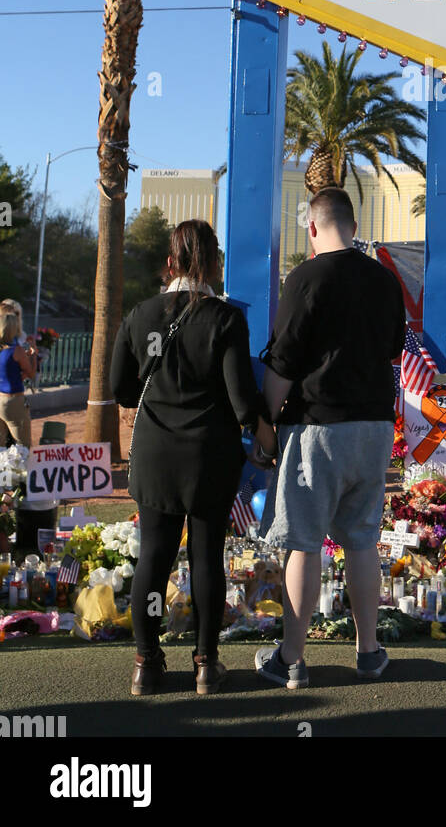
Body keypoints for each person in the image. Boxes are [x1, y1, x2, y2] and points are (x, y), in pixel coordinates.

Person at [112, 219, 274, 697]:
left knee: (153, 560)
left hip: (157, 453)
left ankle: (147, 662)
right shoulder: (225, 319)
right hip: (209, 455)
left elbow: (121, 390)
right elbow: (243, 401)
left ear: (170, 264)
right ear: (214, 264)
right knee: (207, 558)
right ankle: (206, 663)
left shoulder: (141, 314)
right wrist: (268, 439)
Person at [256, 187, 406, 689]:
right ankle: (369, 652)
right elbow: (392, 349)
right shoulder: (385, 280)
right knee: (361, 540)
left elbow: (283, 361)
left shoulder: (305, 277)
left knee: (303, 542)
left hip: (317, 427)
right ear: (355, 225)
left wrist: (264, 423)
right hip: (375, 427)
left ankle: (292, 659)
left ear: (312, 228)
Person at [0, 311, 36, 445]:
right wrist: (33, 353)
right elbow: (31, 373)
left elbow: (8, 374)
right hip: (13, 401)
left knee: (1, 446)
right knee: (22, 446)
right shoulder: (17, 350)